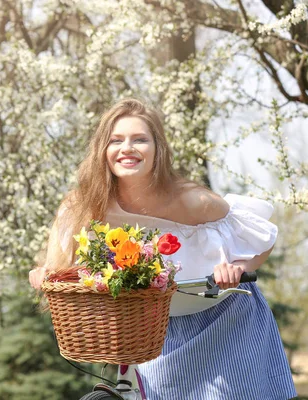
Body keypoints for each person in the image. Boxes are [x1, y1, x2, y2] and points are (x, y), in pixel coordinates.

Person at [29, 98, 297, 399]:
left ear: (158, 149)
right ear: (102, 150)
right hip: (154, 325)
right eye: (116, 140)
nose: (127, 148)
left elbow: (262, 237)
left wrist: (240, 268)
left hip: (224, 318)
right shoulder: (83, 205)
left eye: (139, 139)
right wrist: (42, 275)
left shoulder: (192, 200)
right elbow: (57, 270)